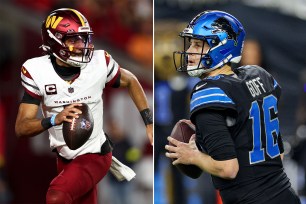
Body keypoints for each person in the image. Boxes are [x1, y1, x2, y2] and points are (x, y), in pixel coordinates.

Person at [15, 8, 153, 204]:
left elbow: (131, 80)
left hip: (96, 154)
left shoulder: (98, 63)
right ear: (54, 41)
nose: (82, 45)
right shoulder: (37, 71)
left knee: (57, 196)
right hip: (64, 157)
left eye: (84, 38)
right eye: (73, 40)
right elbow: (22, 128)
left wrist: (148, 121)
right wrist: (54, 119)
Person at [165, 10, 301, 204]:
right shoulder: (259, 75)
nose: (189, 52)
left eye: (197, 44)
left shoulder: (208, 91)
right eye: (190, 44)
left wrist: (194, 156)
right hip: (286, 194)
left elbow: (228, 169)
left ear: (221, 46)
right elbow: (277, 153)